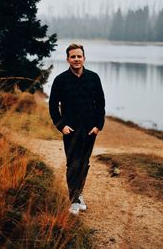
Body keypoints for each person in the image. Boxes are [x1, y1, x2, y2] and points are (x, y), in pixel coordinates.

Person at [49, 43, 105, 215]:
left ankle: (79, 193)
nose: (76, 59)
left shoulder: (93, 78)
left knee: (84, 163)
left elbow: (100, 104)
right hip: (70, 129)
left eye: (79, 56)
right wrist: (61, 126)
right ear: (67, 59)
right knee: (73, 164)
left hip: (89, 130)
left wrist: (98, 126)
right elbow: (52, 105)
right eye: (72, 57)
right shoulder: (60, 80)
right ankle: (74, 201)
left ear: (84, 58)